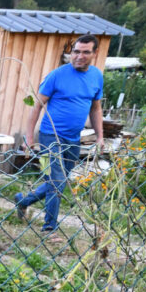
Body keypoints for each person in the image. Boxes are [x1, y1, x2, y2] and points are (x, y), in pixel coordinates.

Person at [15, 34, 105, 233]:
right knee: (56, 182)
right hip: (50, 136)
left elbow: (95, 109)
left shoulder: (96, 76)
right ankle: (49, 228)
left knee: (59, 181)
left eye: (85, 52)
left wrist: (100, 136)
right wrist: (30, 138)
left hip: (73, 139)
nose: (79, 56)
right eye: (76, 51)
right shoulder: (57, 75)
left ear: (94, 53)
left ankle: (23, 200)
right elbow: (37, 106)